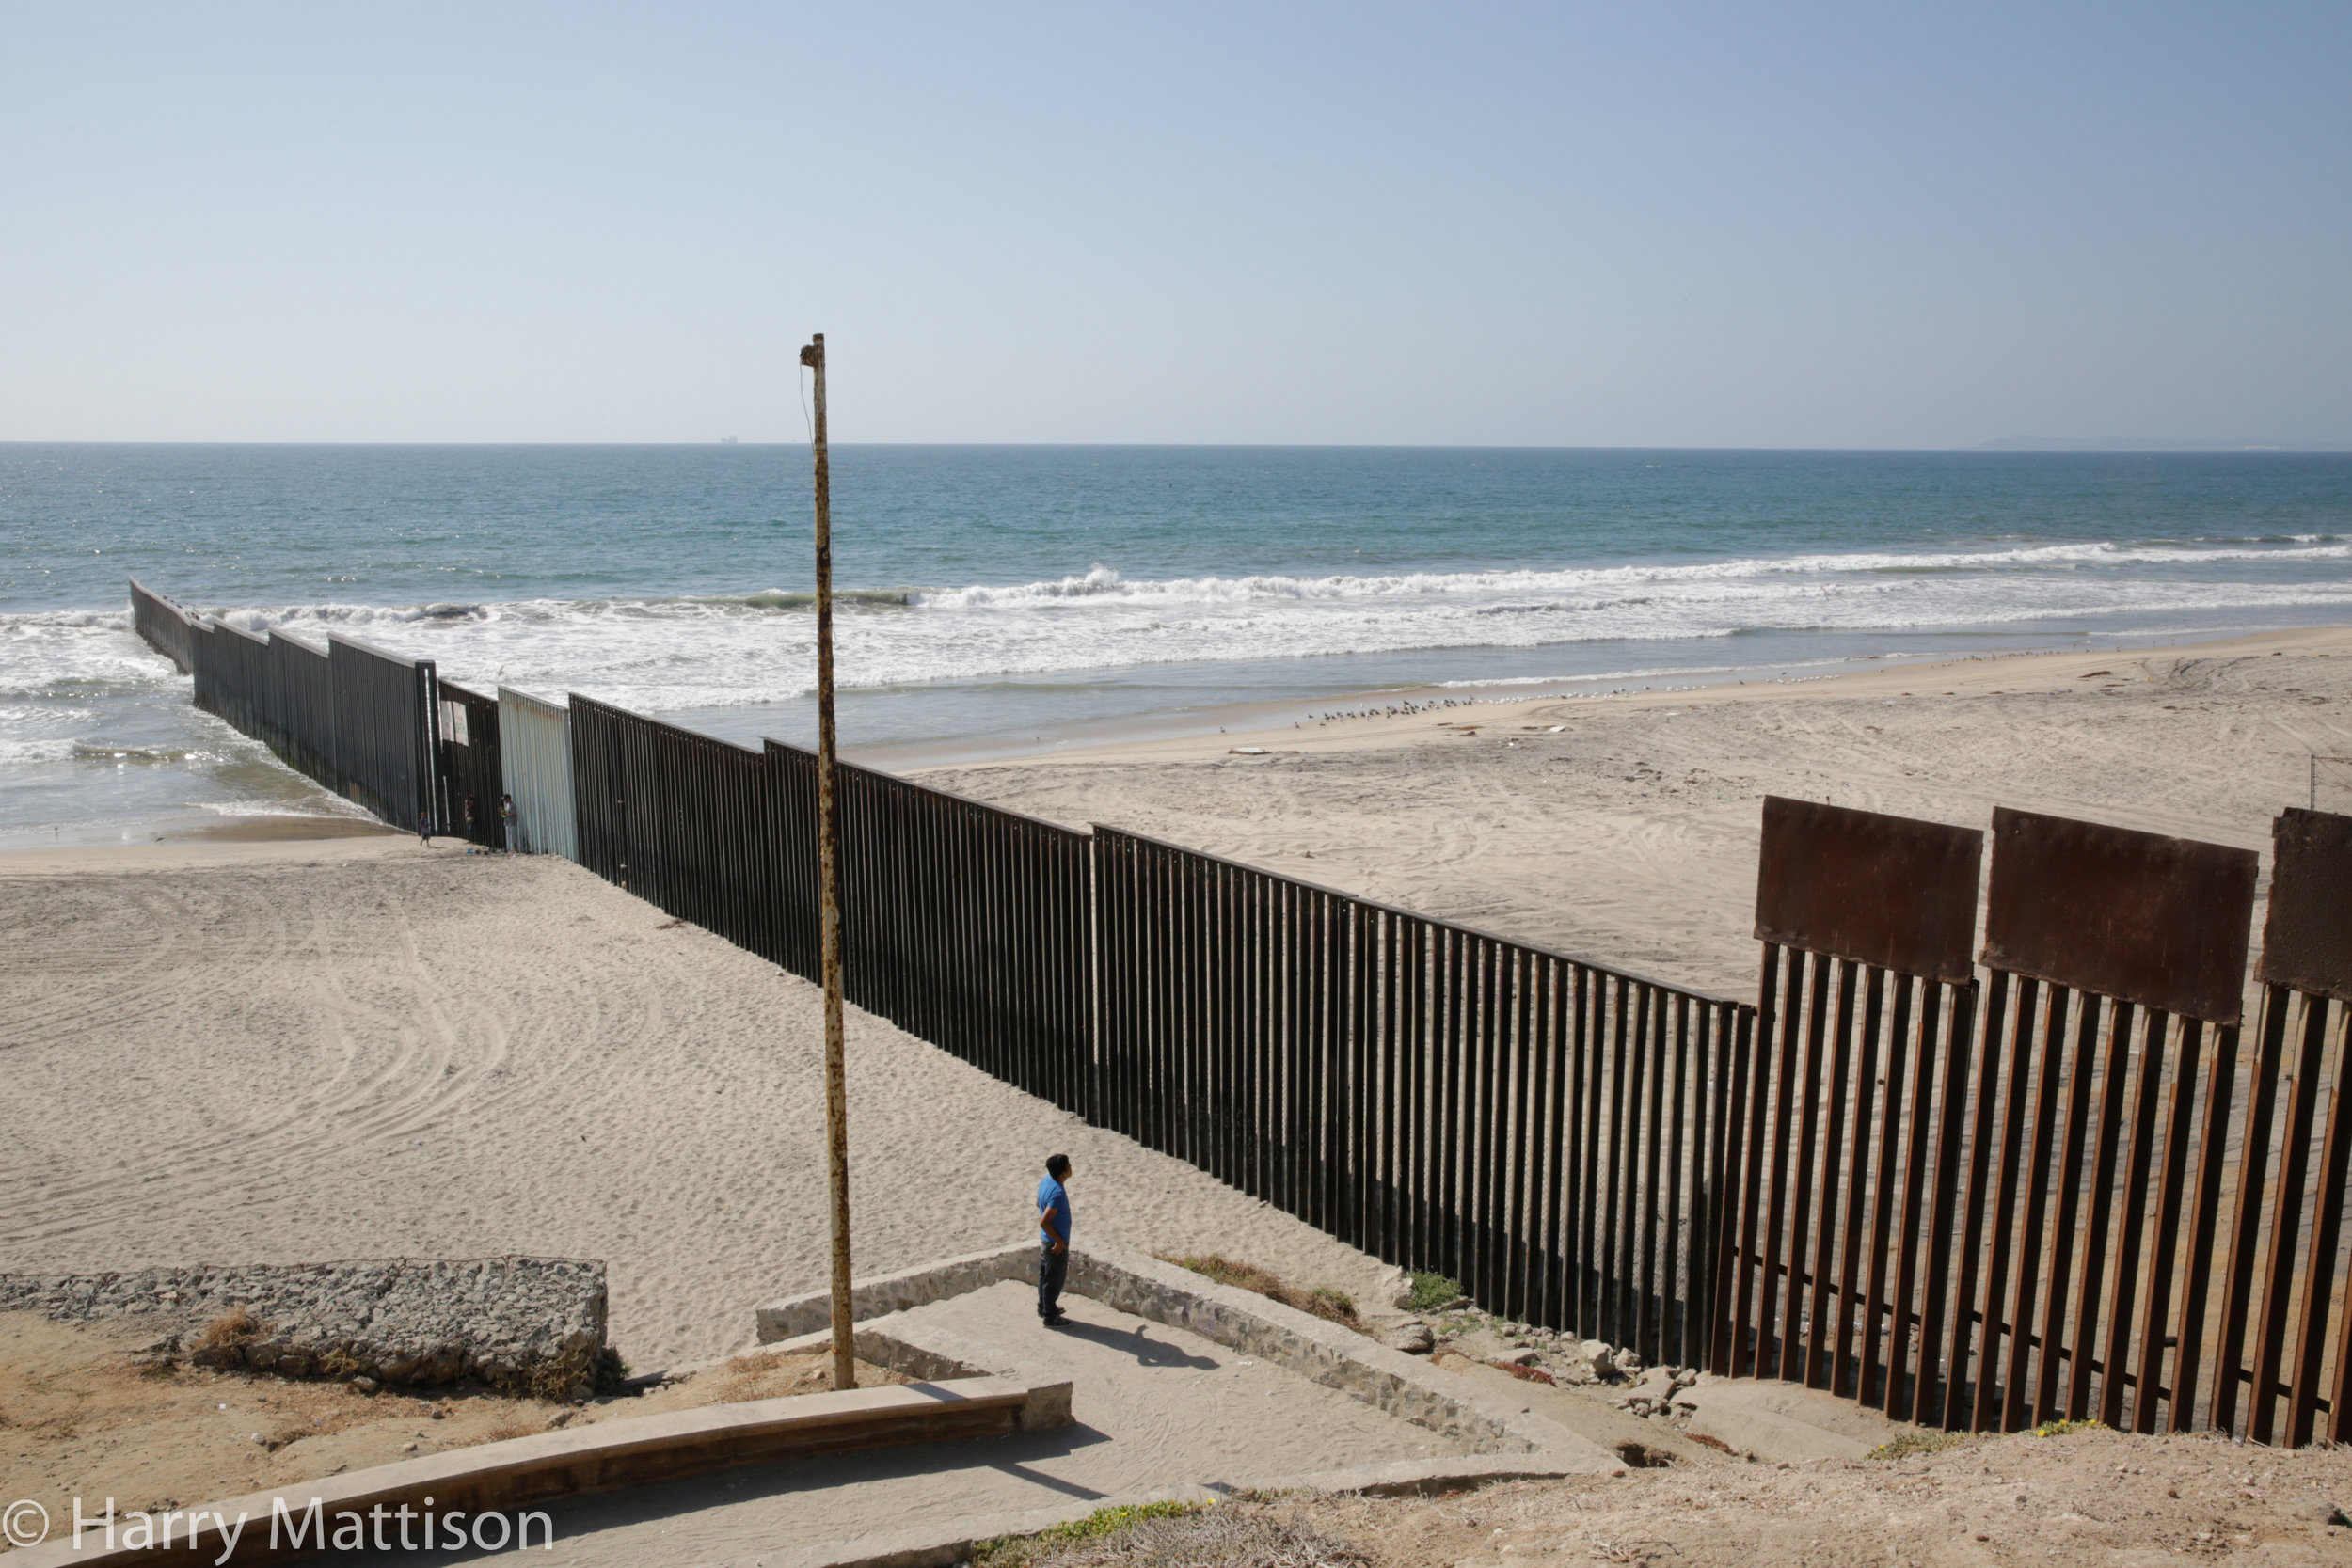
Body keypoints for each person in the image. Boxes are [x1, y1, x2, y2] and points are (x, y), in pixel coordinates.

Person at [1036, 1153, 1073, 1326]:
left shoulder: (1046, 1181)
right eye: (1068, 1165)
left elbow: (1038, 1203)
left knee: (1045, 1276)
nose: (1071, 1167)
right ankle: (1050, 1316)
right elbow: (1044, 1221)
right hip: (1054, 1243)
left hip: (1046, 1240)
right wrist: (1059, 1241)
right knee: (1054, 1280)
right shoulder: (1057, 1192)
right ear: (1063, 1172)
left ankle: (1043, 1306)